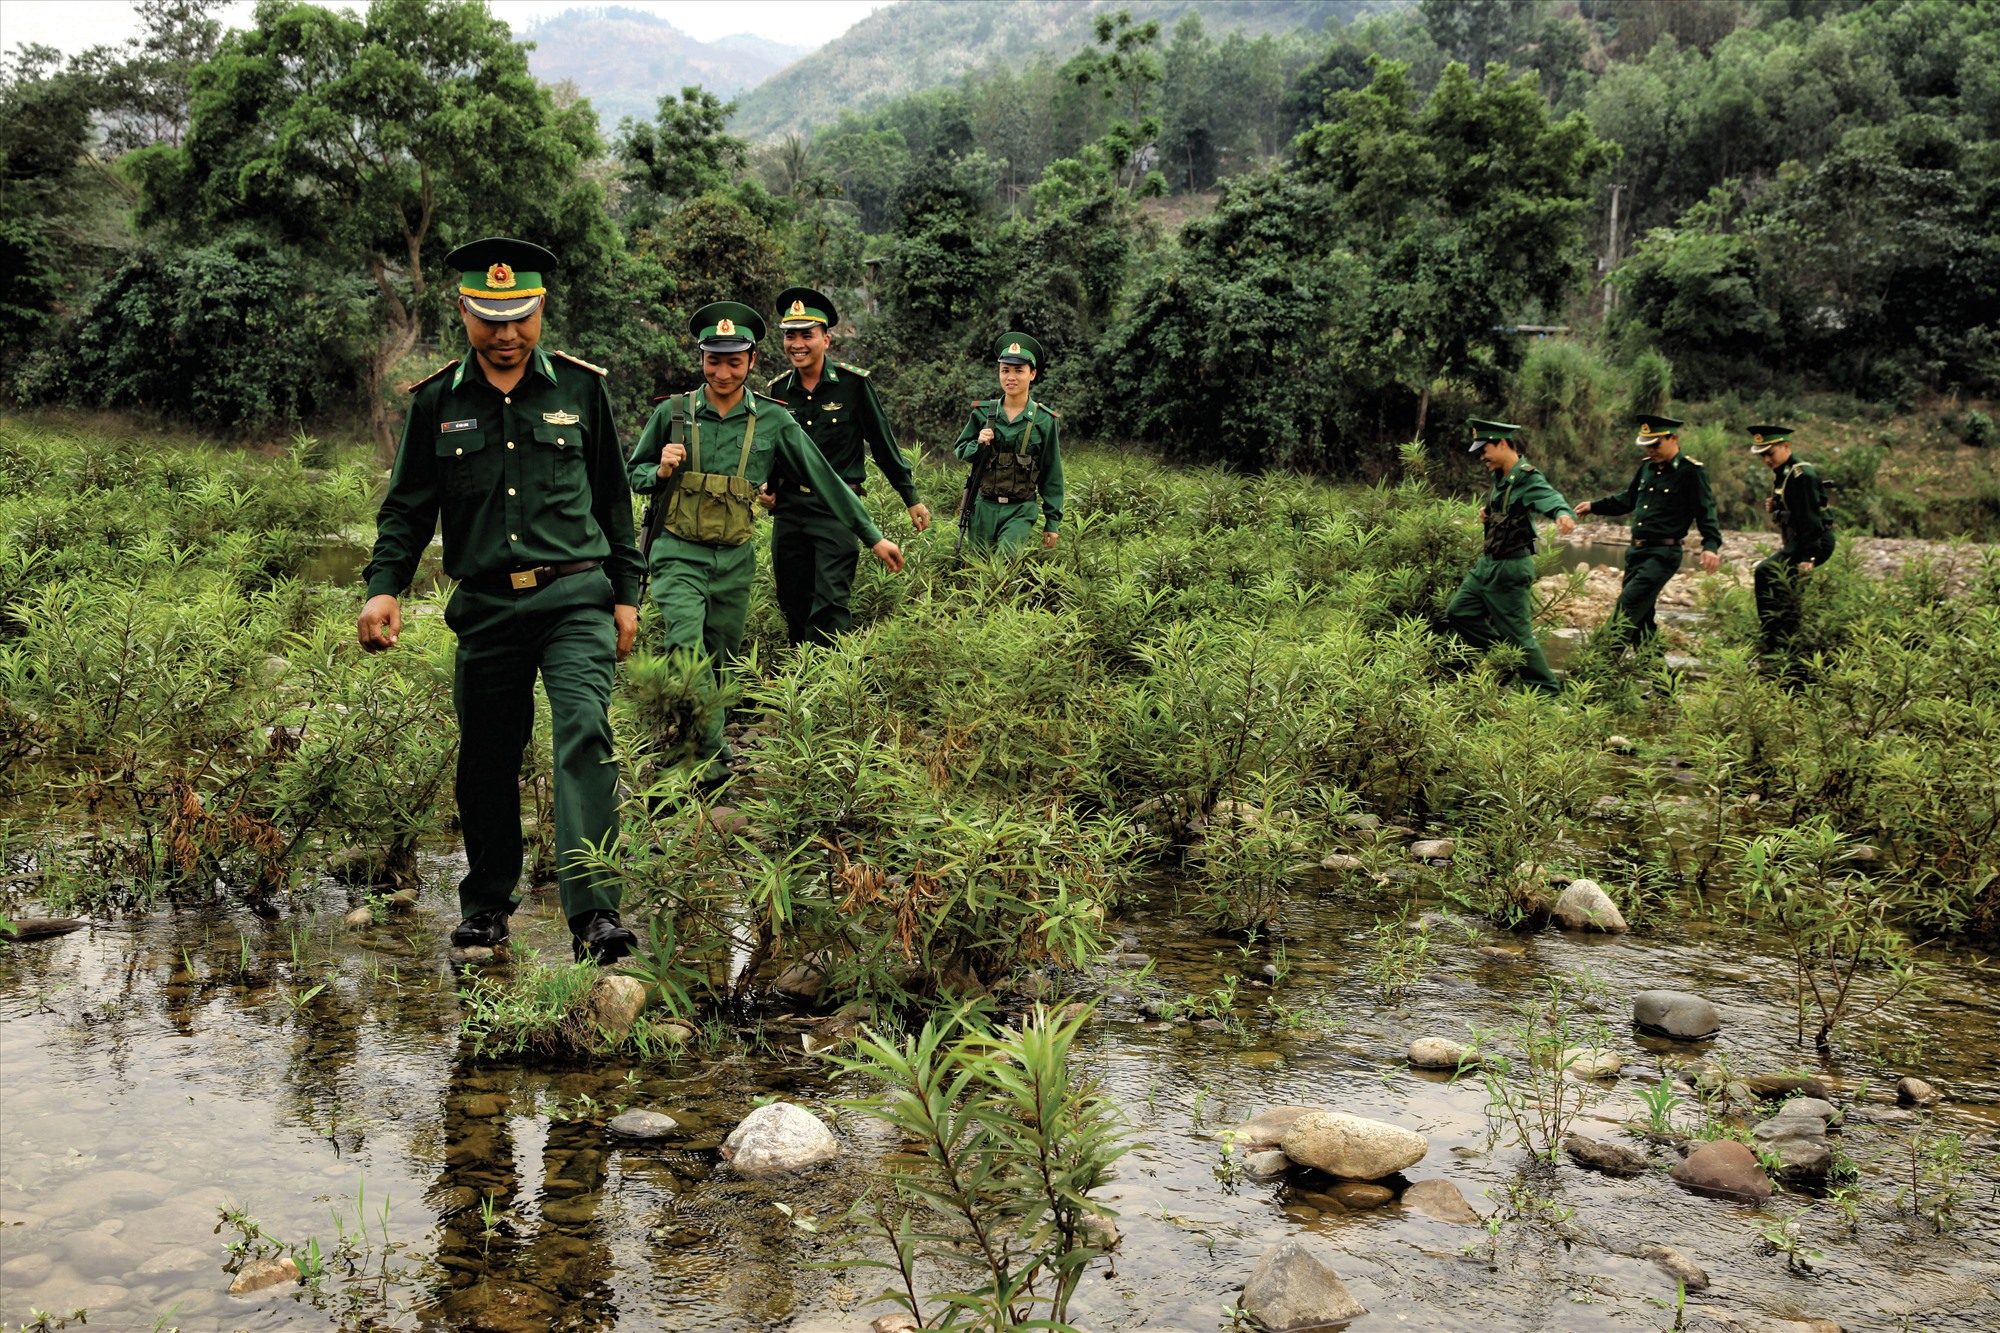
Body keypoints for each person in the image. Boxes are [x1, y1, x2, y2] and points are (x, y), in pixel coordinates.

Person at [356, 238, 643, 964]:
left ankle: (594, 912)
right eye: (489, 317)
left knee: (583, 733)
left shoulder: (581, 391)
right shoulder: (435, 404)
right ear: (463, 311)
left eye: (519, 316)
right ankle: (486, 905)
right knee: (487, 756)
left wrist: (627, 595)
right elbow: (407, 510)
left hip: (576, 596)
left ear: (541, 308)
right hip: (484, 606)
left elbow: (614, 498)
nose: (506, 333)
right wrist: (383, 587)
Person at [628, 301, 905, 789]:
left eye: (734, 361)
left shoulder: (774, 420)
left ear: (753, 361)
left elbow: (826, 478)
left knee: (720, 658)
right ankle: (704, 762)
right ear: (701, 359)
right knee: (684, 648)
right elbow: (632, 474)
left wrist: (873, 536)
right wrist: (660, 470)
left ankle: (705, 739)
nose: (723, 371)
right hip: (677, 552)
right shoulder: (672, 414)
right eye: (713, 360)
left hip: (734, 559)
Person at [760, 286, 930, 647]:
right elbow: (770, 451)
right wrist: (767, 488)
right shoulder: (775, 392)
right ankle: (797, 682)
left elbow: (883, 445)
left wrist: (910, 497)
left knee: (831, 604)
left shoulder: (853, 386)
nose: (798, 344)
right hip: (790, 511)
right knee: (793, 602)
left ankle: (826, 688)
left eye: (807, 335)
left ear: (826, 339)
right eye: (790, 336)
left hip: (837, 512)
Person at [1444, 418, 1578, 695]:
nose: (1482, 457)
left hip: (1511, 567)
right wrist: (1487, 515)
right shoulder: (1500, 477)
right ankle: (1504, 660)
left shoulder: (1528, 477)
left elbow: (1550, 498)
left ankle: (1546, 692)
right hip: (1487, 564)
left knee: (1519, 637)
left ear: (1502, 444)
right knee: (1460, 612)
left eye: (1485, 450)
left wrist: (1563, 514)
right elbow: (1504, 512)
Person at [1574, 414, 1723, 649]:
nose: (1651, 450)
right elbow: (1628, 499)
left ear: (1673, 438)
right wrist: (1594, 506)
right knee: (1642, 623)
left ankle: (1593, 671)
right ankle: (1665, 684)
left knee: (1627, 607)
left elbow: (1706, 511)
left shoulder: (1691, 472)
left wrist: (1711, 547)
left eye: (1655, 444)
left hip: (1663, 554)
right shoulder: (1646, 468)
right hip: (1636, 552)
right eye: (1647, 445)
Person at [952, 333, 1065, 555]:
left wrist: (1052, 522)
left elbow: (1051, 473)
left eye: (1019, 371)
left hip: (1020, 509)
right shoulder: (983, 413)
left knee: (1006, 560)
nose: (1010, 377)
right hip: (983, 507)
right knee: (977, 570)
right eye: (1005, 370)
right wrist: (978, 443)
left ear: (1032, 374)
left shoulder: (1045, 420)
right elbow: (961, 450)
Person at [1749, 423, 1835, 654]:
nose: (1766, 459)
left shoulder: (1801, 474)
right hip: (1798, 541)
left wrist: (1808, 557)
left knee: (1766, 571)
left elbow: (1811, 519)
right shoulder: (1784, 473)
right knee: (1788, 590)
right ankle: (1786, 640)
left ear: (1785, 446)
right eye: (1762, 455)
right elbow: (1792, 507)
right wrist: (1775, 504)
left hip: (1813, 541)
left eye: (1770, 453)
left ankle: (1771, 636)